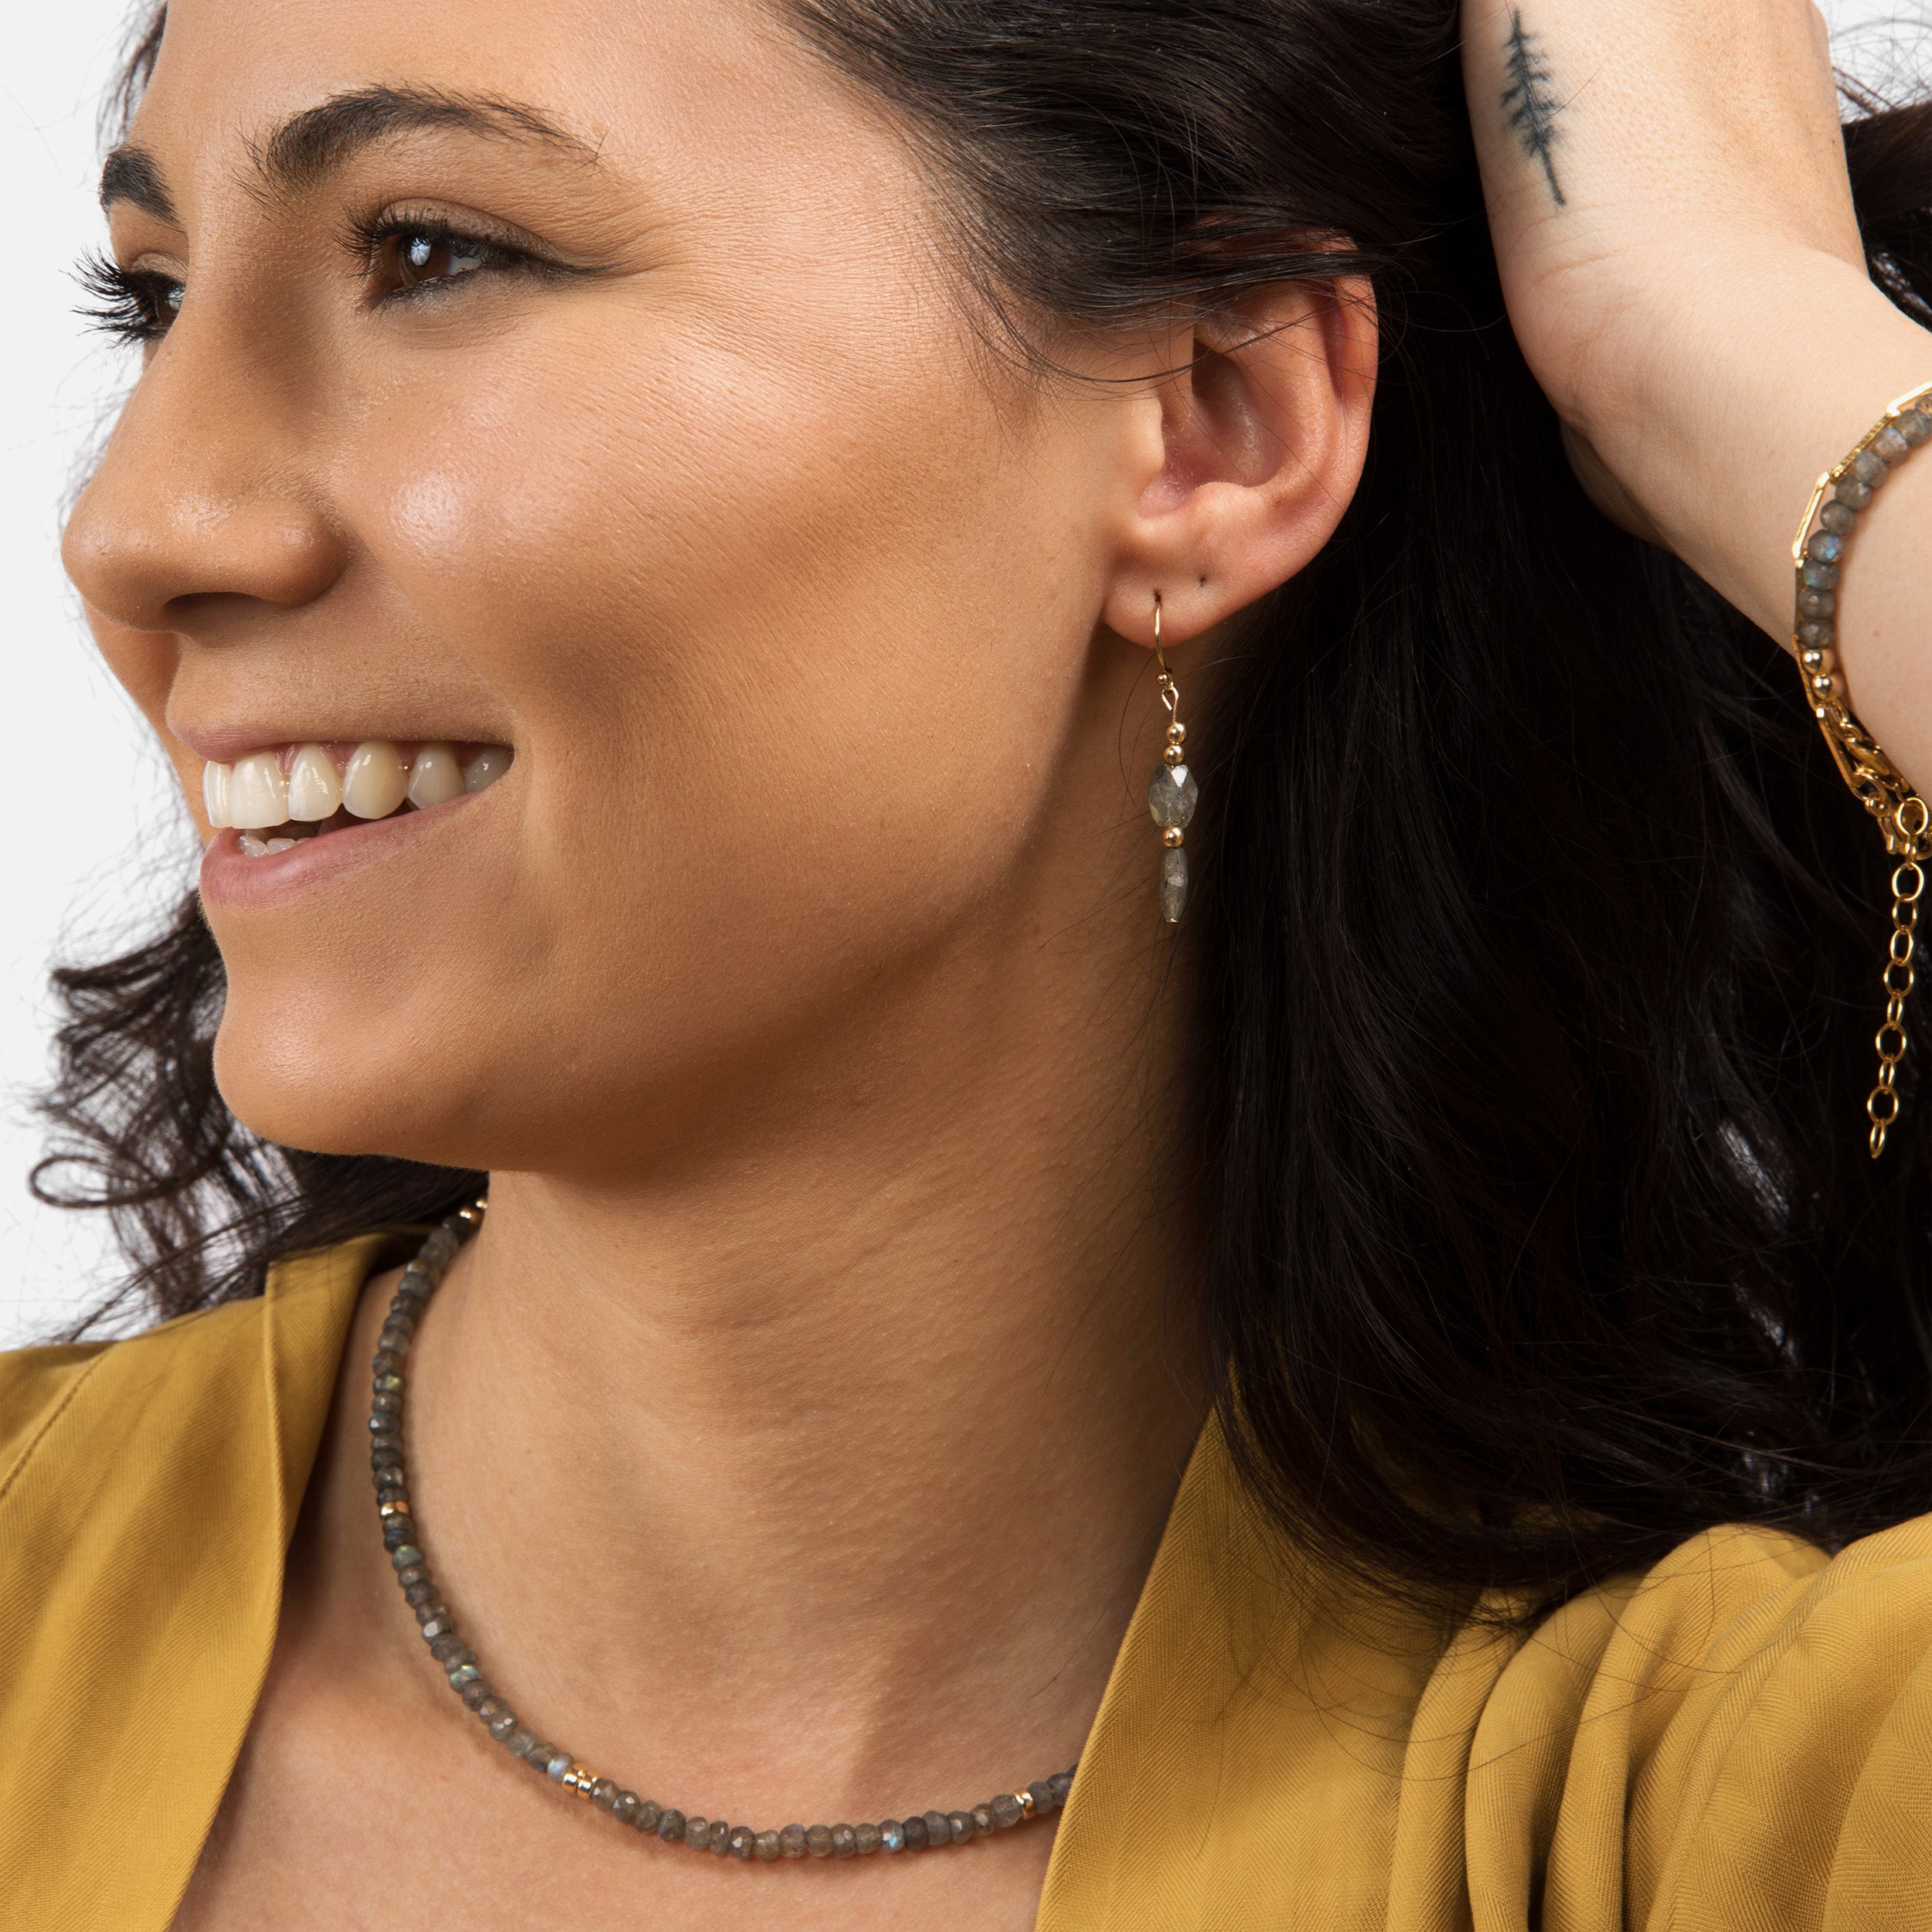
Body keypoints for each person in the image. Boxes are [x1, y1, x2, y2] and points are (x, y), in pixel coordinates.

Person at [8, 0, 1932, 1922]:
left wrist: (1723, 325)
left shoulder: (1737, 1806)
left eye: (436, 252)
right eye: (153, 300)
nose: (135, 526)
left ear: (1213, 423)